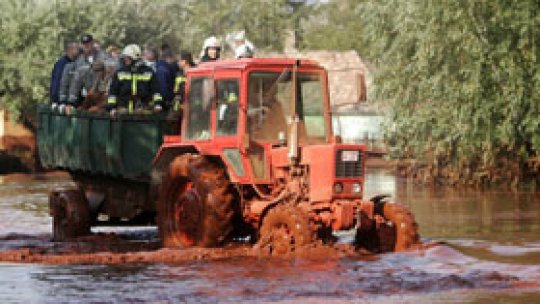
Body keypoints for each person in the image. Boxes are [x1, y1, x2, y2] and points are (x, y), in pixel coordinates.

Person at [107, 44, 163, 115]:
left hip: (143, 110)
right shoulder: (120, 72)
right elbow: (113, 91)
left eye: (127, 57)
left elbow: (156, 90)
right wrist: (111, 108)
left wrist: (158, 104)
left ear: (134, 58)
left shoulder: (148, 71)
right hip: (123, 109)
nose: (125, 59)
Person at [60, 34, 106, 109]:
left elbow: (110, 73)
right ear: (81, 45)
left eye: (88, 43)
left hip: (101, 96)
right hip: (85, 97)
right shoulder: (79, 61)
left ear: (92, 43)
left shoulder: (101, 55)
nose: (86, 46)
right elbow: (76, 82)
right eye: (84, 43)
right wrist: (71, 102)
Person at [50, 42, 79, 106]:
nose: (79, 51)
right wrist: (56, 100)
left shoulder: (75, 63)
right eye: (77, 49)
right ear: (70, 50)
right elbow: (57, 82)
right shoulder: (62, 63)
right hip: (60, 103)